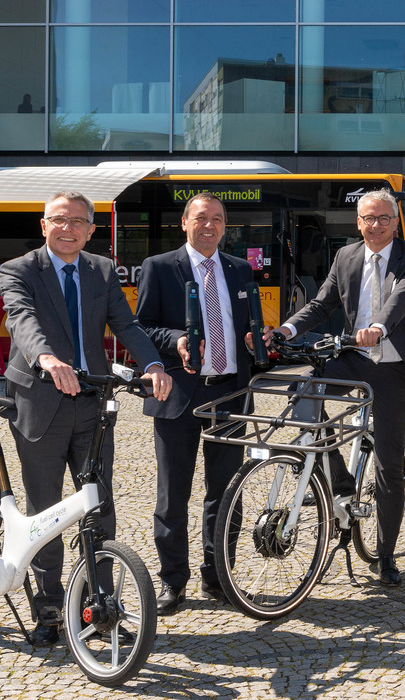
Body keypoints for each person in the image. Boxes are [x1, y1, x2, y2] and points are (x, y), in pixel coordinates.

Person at [0, 191, 172, 646]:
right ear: (43, 225)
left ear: (91, 230)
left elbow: (127, 324)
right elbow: (22, 320)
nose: (68, 227)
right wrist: (48, 359)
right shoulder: (19, 270)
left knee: (98, 508)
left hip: (92, 404)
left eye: (78, 221)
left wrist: (152, 364)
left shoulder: (100, 269)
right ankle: (51, 610)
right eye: (59, 219)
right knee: (46, 511)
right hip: (41, 400)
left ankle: (98, 608)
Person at [264, 189, 405, 587]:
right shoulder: (346, 256)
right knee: (304, 394)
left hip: (392, 365)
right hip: (354, 359)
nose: (375, 225)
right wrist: (287, 328)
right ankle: (339, 477)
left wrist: (378, 327)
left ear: (396, 221)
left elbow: (400, 299)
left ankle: (386, 554)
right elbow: (322, 304)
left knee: (390, 462)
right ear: (358, 222)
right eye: (368, 219)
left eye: (384, 218)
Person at [135, 192, 258, 616]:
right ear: (184, 223)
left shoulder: (241, 270)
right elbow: (143, 327)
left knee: (226, 493)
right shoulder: (159, 267)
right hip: (180, 392)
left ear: (226, 226)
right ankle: (173, 582)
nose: (210, 226)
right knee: (174, 495)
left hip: (229, 391)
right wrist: (178, 341)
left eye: (218, 219)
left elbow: (248, 327)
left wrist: (253, 340)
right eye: (201, 218)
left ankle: (219, 575)